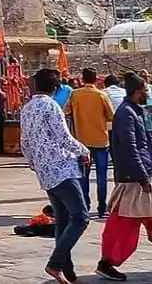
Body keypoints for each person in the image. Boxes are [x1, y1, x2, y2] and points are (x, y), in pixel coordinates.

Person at [20, 67, 90, 284]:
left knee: (63, 219)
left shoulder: (27, 108)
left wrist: (35, 163)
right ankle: (55, 263)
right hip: (62, 169)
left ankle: (66, 270)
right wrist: (84, 151)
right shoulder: (51, 106)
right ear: (56, 87)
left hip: (45, 171)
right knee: (80, 217)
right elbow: (64, 138)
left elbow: (24, 143)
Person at [96, 73, 152, 282]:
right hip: (133, 179)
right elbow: (130, 148)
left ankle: (107, 262)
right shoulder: (126, 114)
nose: (147, 93)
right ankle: (106, 263)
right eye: (145, 90)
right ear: (138, 92)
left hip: (141, 174)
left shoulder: (135, 112)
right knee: (123, 224)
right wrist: (142, 177)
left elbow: (143, 144)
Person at [65, 67, 114, 218]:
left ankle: (85, 205)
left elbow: (65, 111)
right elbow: (112, 115)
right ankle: (101, 207)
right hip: (101, 141)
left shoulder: (75, 94)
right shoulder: (101, 95)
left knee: (83, 176)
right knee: (101, 176)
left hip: (82, 142)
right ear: (96, 79)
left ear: (82, 79)